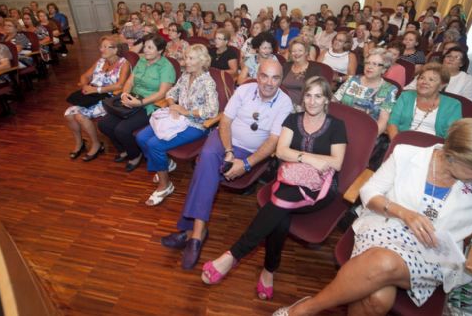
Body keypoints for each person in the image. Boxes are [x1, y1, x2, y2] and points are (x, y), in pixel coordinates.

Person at [275, 118, 472, 316]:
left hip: (431, 254)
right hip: (384, 228)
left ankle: (305, 309)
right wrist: (403, 212)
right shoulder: (408, 155)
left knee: (384, 265)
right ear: (457, 158)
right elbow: (369, 191)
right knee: (377, 300)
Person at [201, 77, 346, 300]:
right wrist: (312, 159)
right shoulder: (292, 119)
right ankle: (268, 271)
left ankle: (233, 255)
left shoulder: (336, 125)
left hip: (320, 190)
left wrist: (299, 158)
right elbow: (281, 152)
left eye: (318, 96)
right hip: (289, 180)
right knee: (280, 217)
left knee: (278, 203)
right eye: (308, 95)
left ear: (327, 99)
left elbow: (336, 163)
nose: (312, 101)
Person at [160, 60, 293, 270]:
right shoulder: (244, 90)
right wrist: (229, 150)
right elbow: (225, 122)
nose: (269, 82)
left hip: (249, 152)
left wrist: (246, 164)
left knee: (205, 169)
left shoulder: (285, 103)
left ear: (280, 79)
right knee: (208, 156)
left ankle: (192, 233)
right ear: (257, 76)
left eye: (275, 77)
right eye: (265, 76)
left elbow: (273, 142)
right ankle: (197, 233)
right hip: (224, 141)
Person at [136, 44, 219, 206]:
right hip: (178, 119)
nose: (185, 62)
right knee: (141, 137)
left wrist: (185, 111)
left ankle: (165, 185)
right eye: (185, 57)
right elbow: (170, 93)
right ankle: (165, 164)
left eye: (190, 58)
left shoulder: (208, 82)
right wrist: (172, 105)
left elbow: (212, 111)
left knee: (154, 144)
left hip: (197, 126)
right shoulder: (186, 76)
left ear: (202, 62)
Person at [98, 34, 176, 172]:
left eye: (150, 48)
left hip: (150, 105)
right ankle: (125, 150)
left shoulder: (166, 67)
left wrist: (140, 103)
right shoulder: (141, 61)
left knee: (122, 129)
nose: (145, 50)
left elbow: (162, 93)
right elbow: (130, 81)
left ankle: (135, 154)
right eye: (145, 46)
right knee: (104, 124)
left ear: (160, 50)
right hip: (131, 99)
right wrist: (125, 94)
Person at [65, 36, 129, 162]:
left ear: (115, 49)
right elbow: (85, 76)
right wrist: (85, 86)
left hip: (109, 98)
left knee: (80, 116)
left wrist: (96, 90)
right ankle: (80, 143)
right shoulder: (100, 61)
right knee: (68, 114)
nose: (101, 50)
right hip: (92, 95)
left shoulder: (124, 63)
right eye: (101, 47)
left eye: (105, 47)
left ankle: (96, 144)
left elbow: (120, 85)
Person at [387, 63, 462, 140]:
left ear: (442, 85)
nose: (424, 82)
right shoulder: (406, 96)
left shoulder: (453, 105)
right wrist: (396, 143)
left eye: (431, 79)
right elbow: (393, 122)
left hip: (434, 147)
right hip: (403, 141)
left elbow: (452, 135)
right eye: (422, 78)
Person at [334, 49, 397, 136]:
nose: (369, 67)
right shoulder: (352, 80)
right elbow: (333, 102)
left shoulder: (389, 90)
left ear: (384, 69)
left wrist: (367, 139)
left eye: (375, 64)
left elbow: (383, 121)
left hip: (365, 133)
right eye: (368, 63)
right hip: (339, 127)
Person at [405, 47, 472, 103]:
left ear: (461, 63)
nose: (451, 59)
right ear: (443, 59)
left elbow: (468, 103)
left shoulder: (468, 80)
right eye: (448, 56)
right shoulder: (429, 71)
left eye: (456, 57)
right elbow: (408, 89)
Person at [282, 38, 327, 110]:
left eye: (300, 50)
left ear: (306, 52)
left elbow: (316, 92)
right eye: (294, 51)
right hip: (281, 103)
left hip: (300, 107)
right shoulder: (286, 66)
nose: (296, 53)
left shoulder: (314, 69)